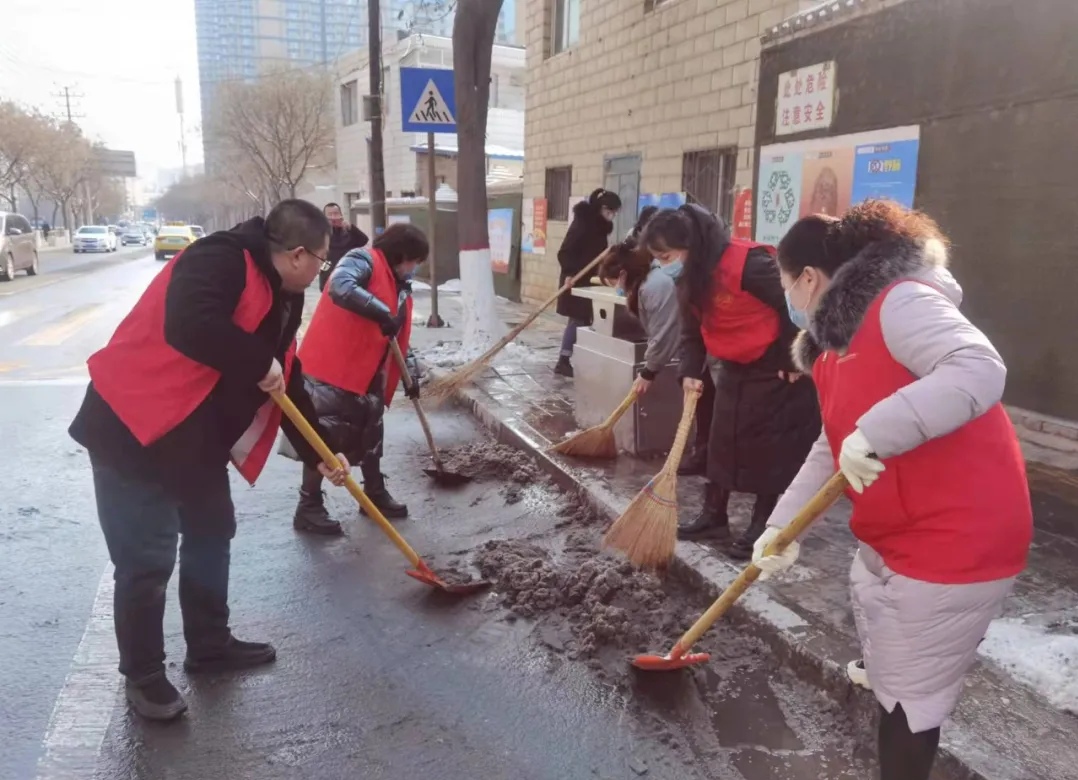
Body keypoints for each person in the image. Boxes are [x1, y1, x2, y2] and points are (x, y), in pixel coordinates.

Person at [752, 201, 1032, 780]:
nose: (787, 298)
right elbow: (833, 448)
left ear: (808, 278)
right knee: (882, 634)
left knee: (910, 700)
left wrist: (877, 431)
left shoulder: (901, 303)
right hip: (896, 530)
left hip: (958, 533)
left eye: (784, 284)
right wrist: (782, 526)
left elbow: (978, 368)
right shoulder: (834, 345)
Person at [68, 200, 351, 722]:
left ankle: (210, 644)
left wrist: (322, 453)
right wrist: (255, 361)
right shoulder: (219, 258)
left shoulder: (282, 294)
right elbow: (189, 323)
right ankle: (145, 677)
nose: (321, 271)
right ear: (296, 254)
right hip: (133, 427)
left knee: (212, 531)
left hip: (192, 437)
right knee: (147, 558)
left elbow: (285, 374)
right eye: (322, 261)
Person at [645, 205, 820, 558]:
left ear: (691, 245)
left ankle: (764, 522)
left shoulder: (749, 264)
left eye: (667, 256)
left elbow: (796, 306)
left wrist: (794, 358)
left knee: (771, 451)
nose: (664, 265)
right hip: (734, 366)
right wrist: (691, 371)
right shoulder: (689, 277)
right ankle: (714, 515)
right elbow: (692, 330)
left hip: (776, 367)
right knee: (721, 443)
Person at [293, 223, 428, 532]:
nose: (415, 268)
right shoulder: (362, 260)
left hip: (368, 372)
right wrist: (380, 311)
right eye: (415, 260)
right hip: (333, 367)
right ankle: (308, 506)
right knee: (325, 437)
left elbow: (397, 336)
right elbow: (341, 286)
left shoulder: (400, 287)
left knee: (370, 434)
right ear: (402, 253)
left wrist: (411, 374)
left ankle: (374, 493)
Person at [597, 238, 681, 395]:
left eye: (613, 282)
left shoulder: (655, 285)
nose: (616, 289)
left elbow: (663, 332)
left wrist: (649, 371)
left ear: (622, 275)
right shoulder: (645, 284)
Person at [555, 187, 622, 377]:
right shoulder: (583, 224)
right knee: (578, 319)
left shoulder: (599, 228)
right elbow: (564, 251)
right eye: (610, 211)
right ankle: (563, 361)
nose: (612, 216)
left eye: (614, 213)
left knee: (585, 320)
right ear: (601, 208)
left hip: (590, 280)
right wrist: (569, 273)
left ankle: (575, 358)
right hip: (575, 279)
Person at [319, 202, 369, 291]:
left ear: (341, 215)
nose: (333, 217)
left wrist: (351, 228)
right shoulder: (322, 233)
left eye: (336, 214)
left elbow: (364, 240)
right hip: (328, 274)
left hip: (347, 275)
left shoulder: (348, 231)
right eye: (330, 215)